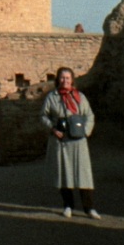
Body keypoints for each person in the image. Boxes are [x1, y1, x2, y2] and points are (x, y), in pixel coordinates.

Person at [41, 66, 100, 219]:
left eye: (67, 78)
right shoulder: (52, 97)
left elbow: (90, 116)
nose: (65, 81)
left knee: (83, 174)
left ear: (72, 80)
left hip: (78, 140)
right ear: (57, 80)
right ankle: (68, 206)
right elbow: (43, 116)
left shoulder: (80, 97)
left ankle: (89, 208)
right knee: (64, 174)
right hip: (61, 141)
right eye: (62, 78)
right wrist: (52, 129)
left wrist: (85, 132)